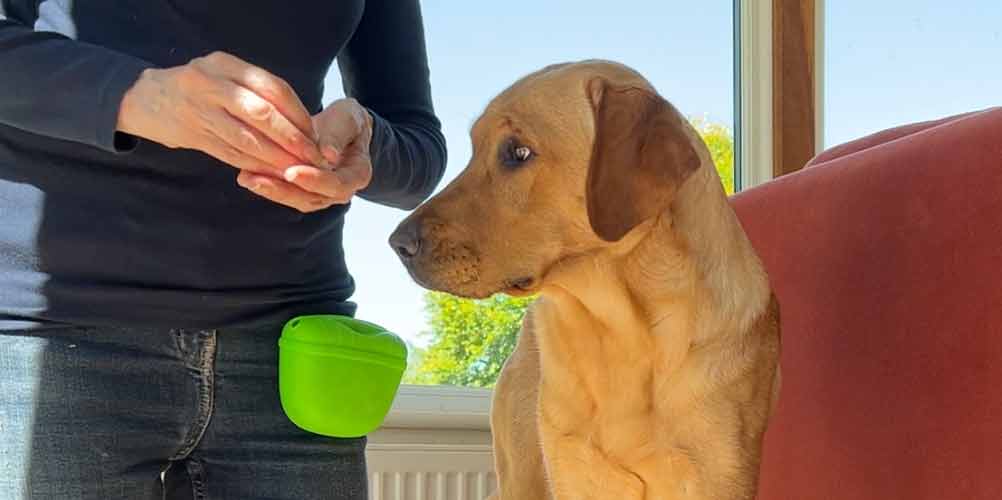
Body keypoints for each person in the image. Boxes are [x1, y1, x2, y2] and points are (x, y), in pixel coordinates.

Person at [0, 1, 446, 499]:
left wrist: (368, 143)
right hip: (54, 334)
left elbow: (419, 150)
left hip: (293, 356)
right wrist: (140, 95)